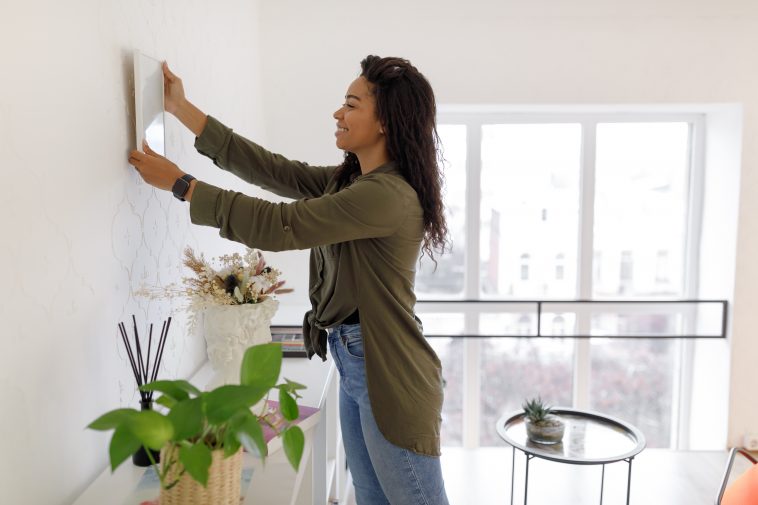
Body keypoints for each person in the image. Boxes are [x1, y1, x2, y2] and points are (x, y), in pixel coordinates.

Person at [128, 55, 450, 505]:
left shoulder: (385, 195)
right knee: (372, 498)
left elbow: (281, 225)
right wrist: (182, 108)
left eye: (352, 104)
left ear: (385, 123)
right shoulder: (353, 182)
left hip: (390, 372)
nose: (338, 113)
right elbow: (273, 170)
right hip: (358, 360)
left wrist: (183, 185)